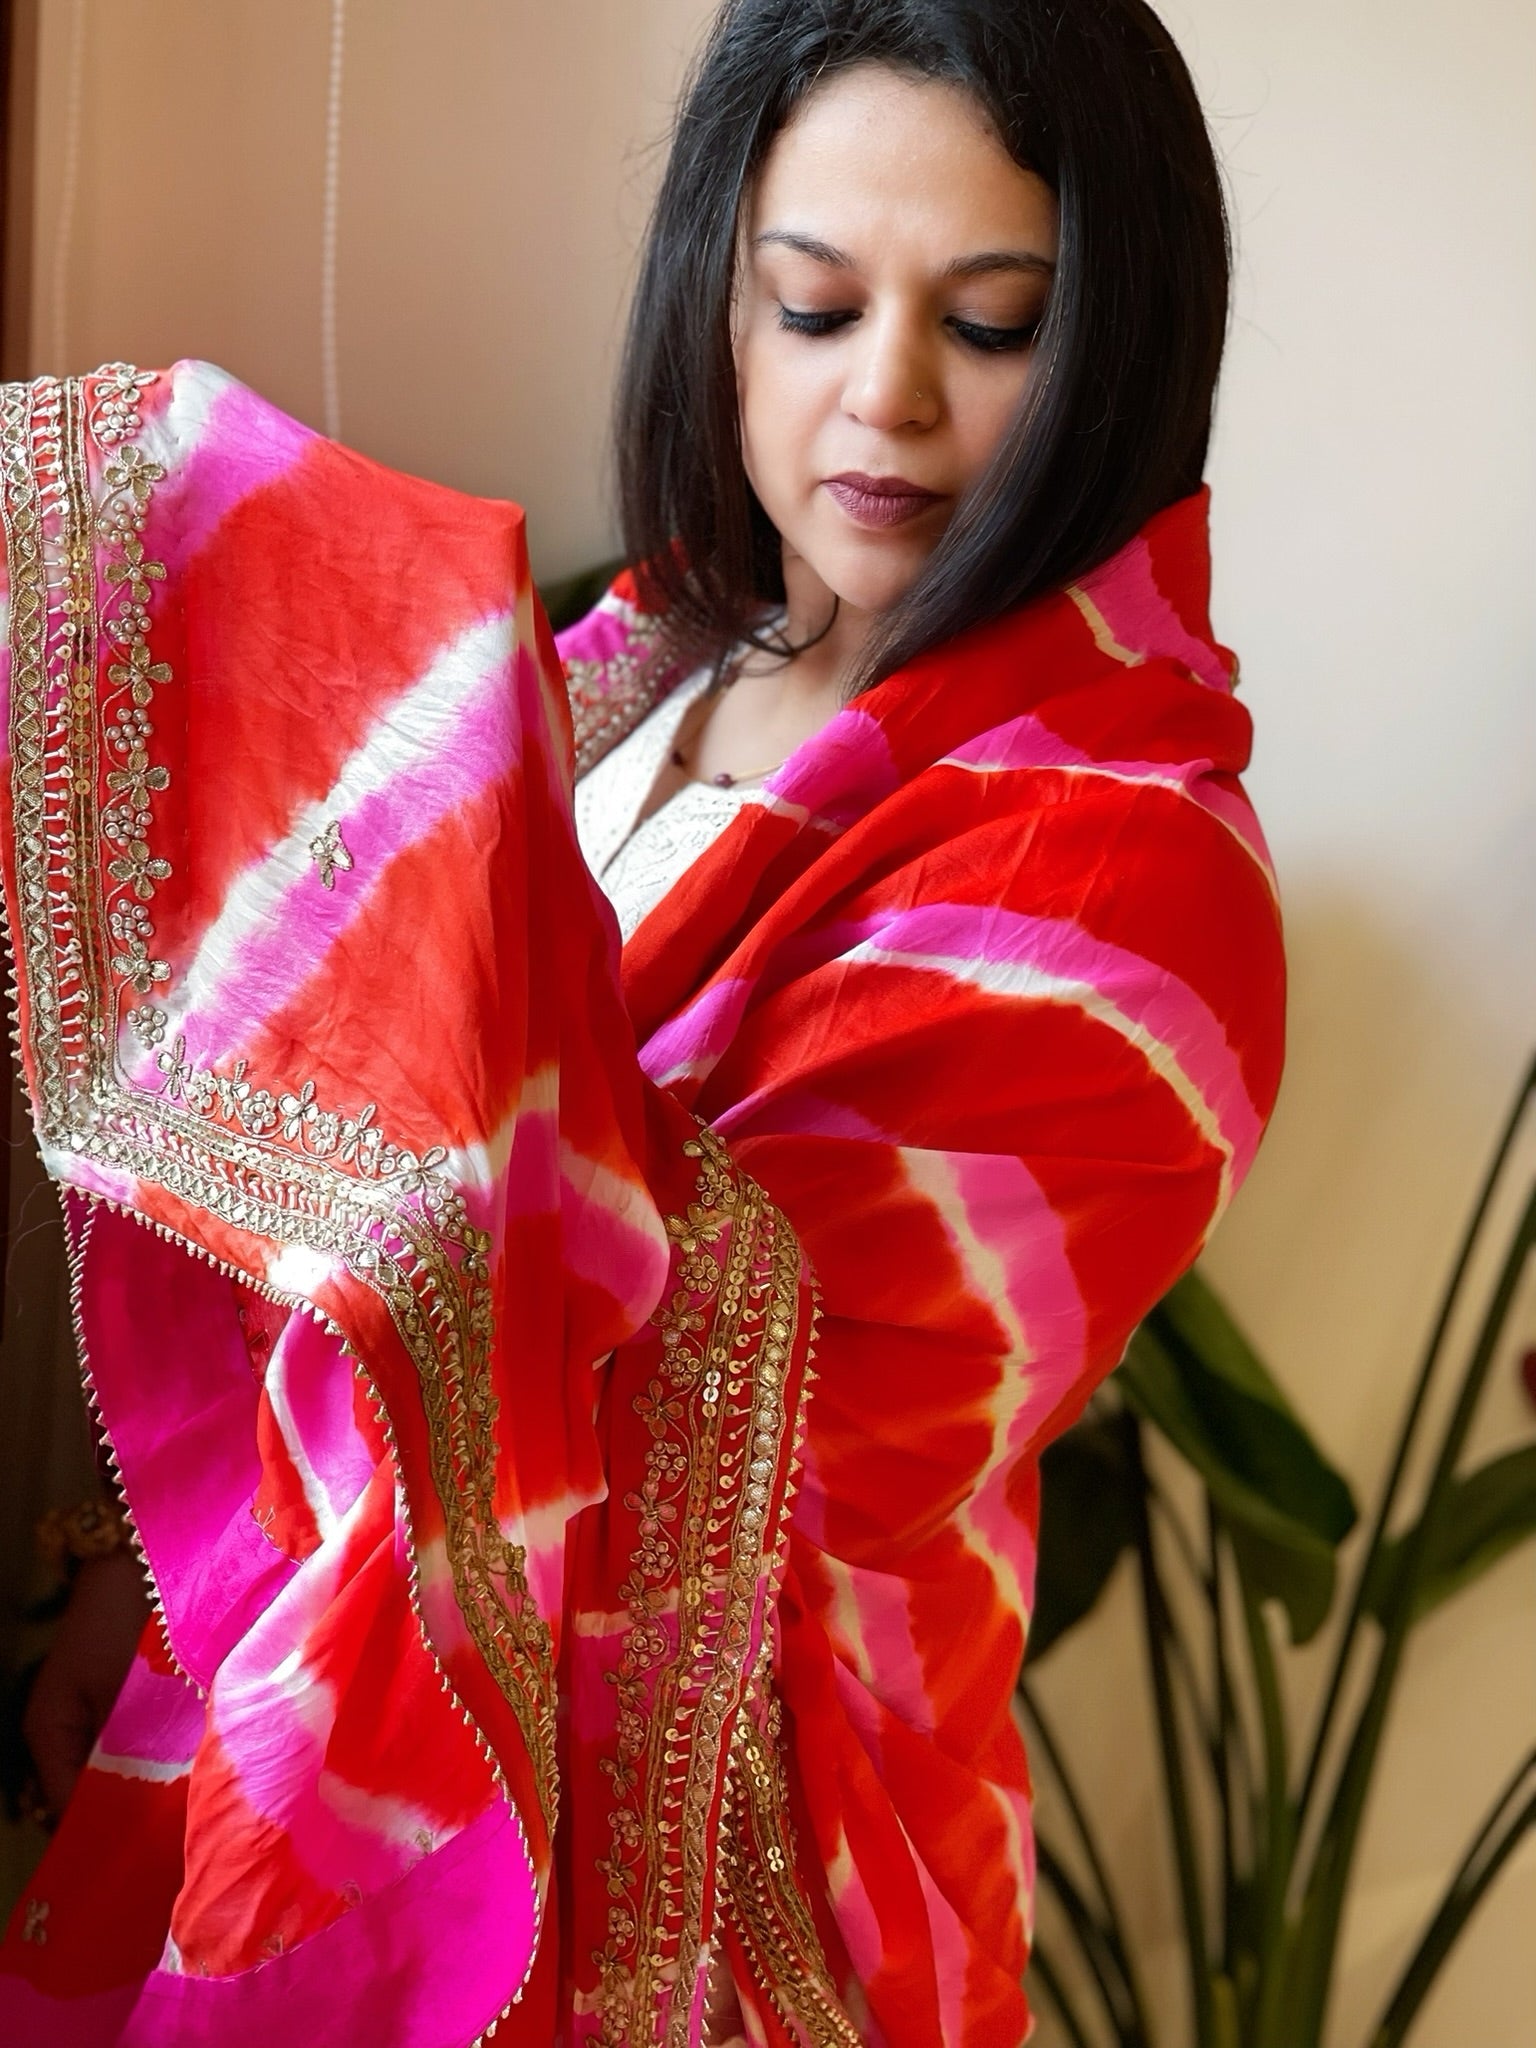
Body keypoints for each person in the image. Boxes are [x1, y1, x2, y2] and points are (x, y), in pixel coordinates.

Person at [0, 2, 1284, 2044]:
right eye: (814, 300)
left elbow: (676, 1362)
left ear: (1117, 348)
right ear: (724, 295)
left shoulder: (1128, 884)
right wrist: (161, 1588)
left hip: (745, 1896)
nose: (887, 400)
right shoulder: (652, 648)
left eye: (994, 322)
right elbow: (387, 1209)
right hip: (345, 1680)